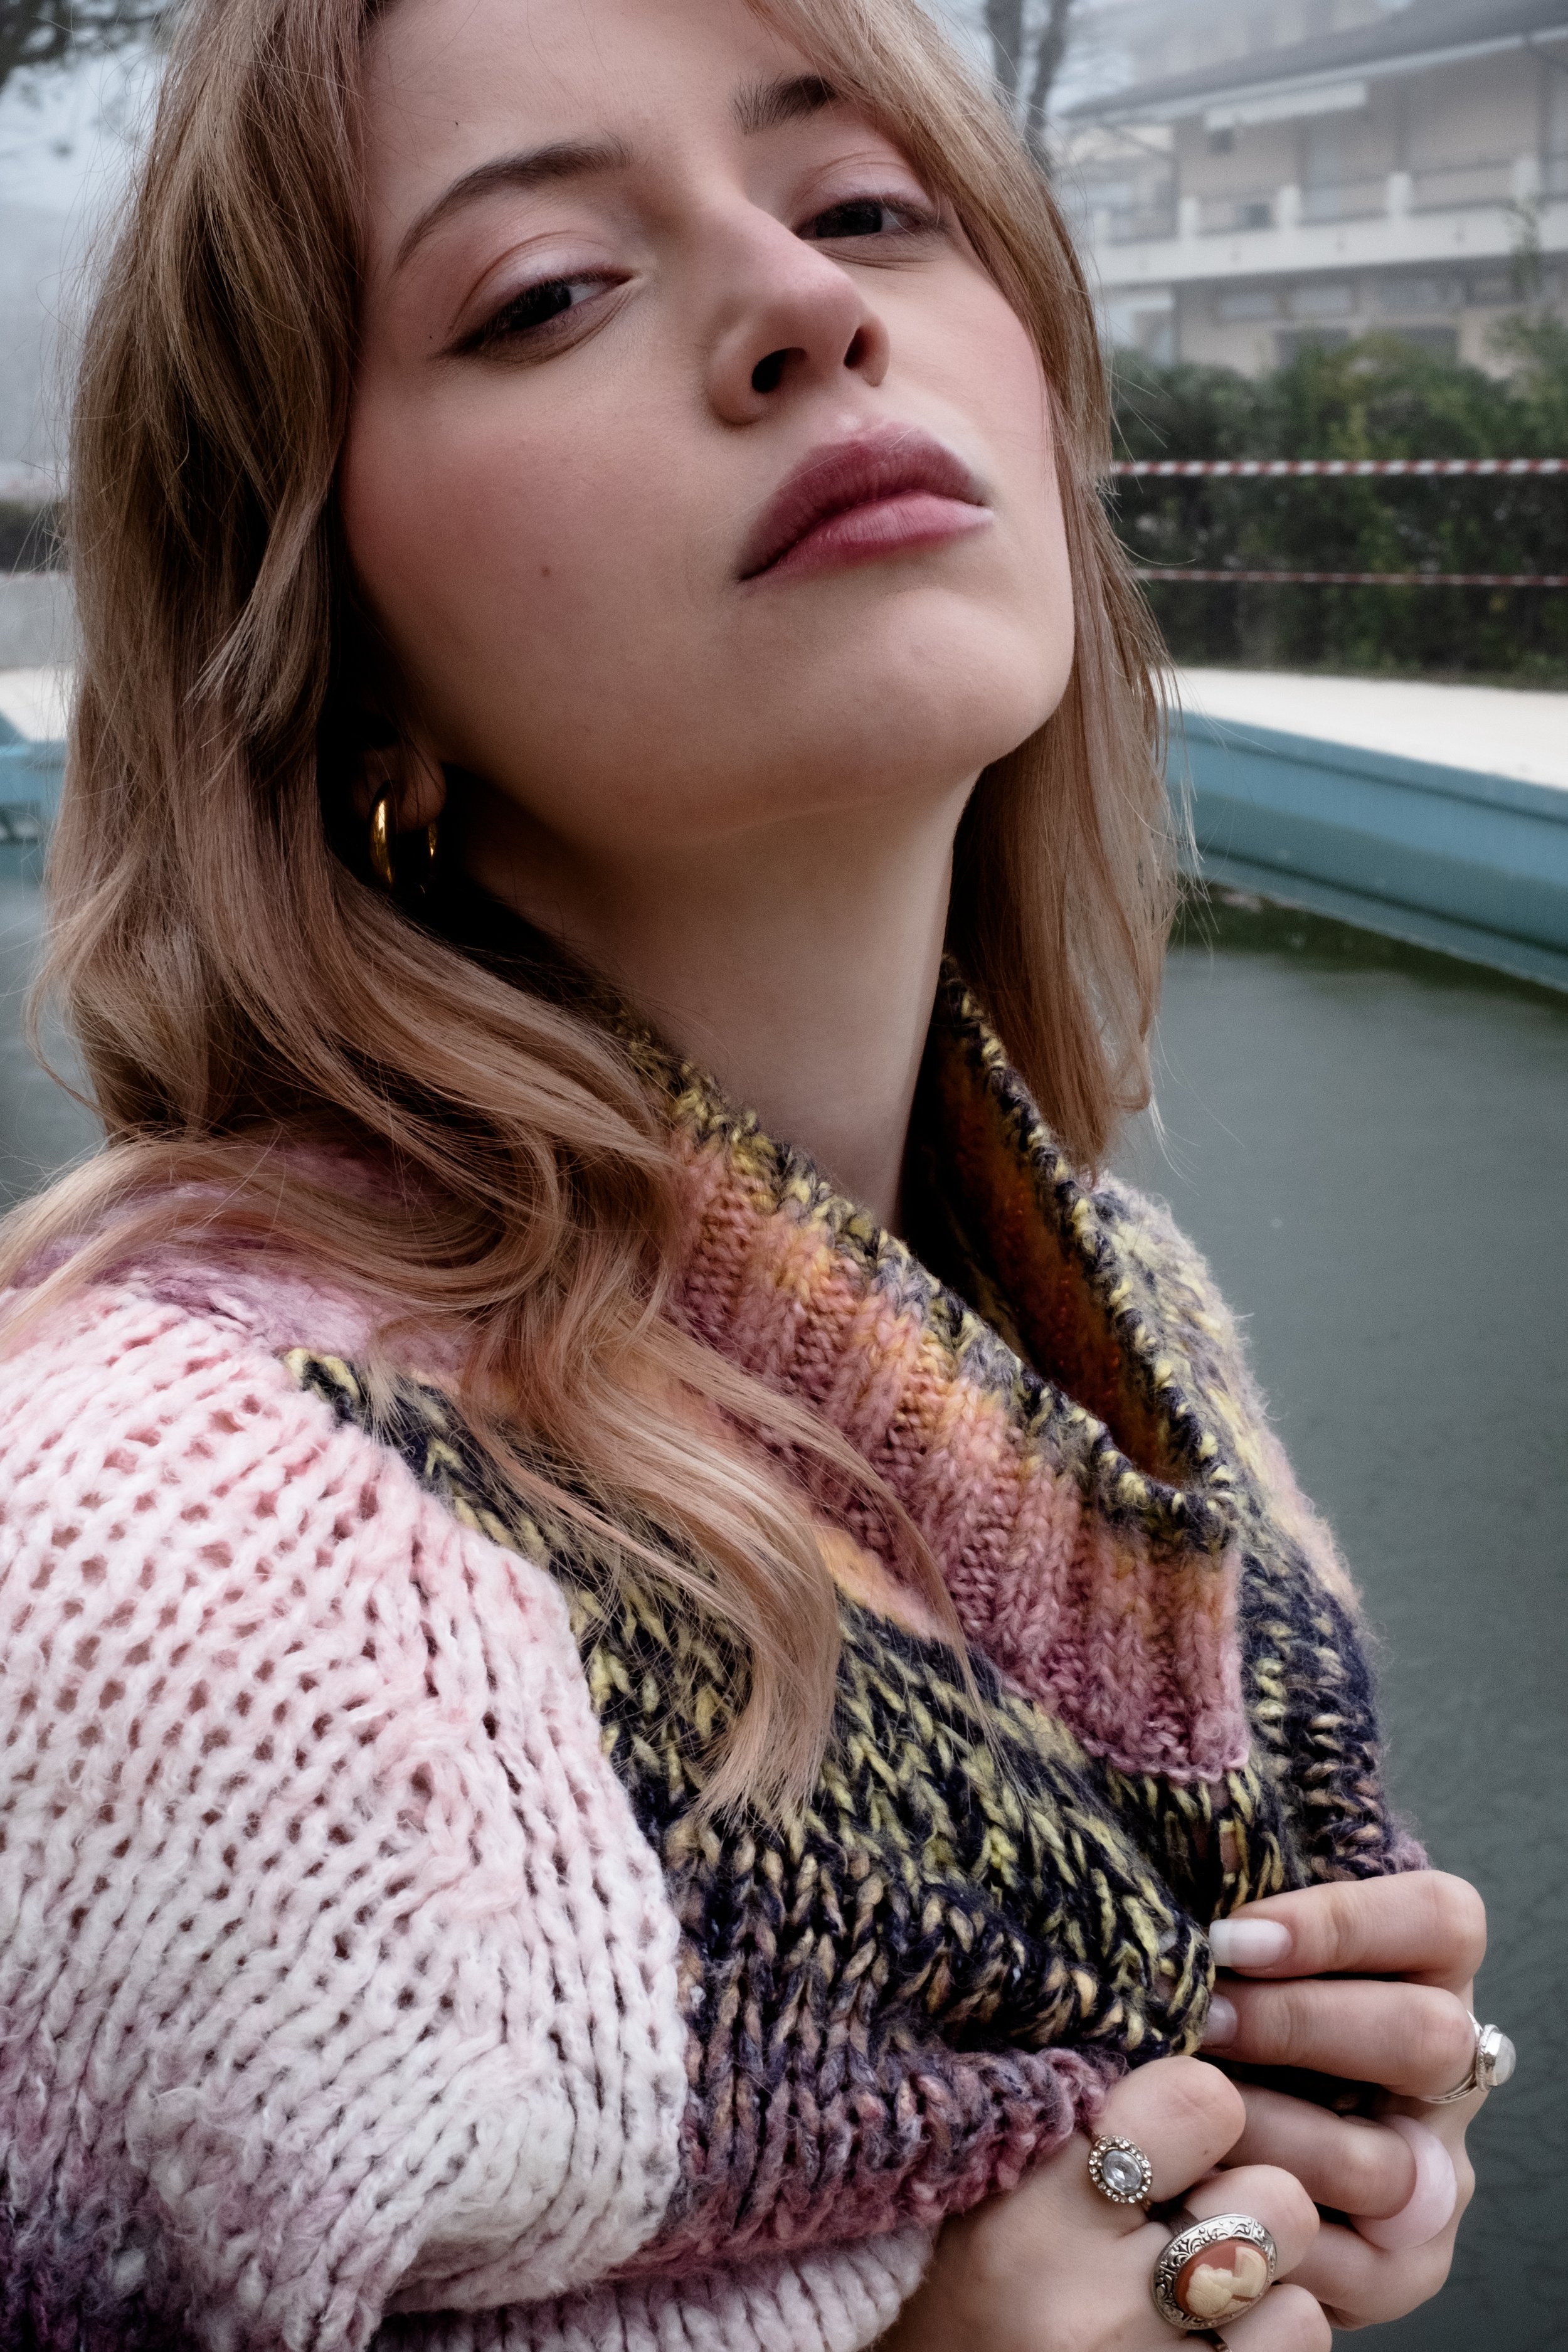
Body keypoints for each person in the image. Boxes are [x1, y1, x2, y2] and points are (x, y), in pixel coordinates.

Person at [0, 0, 1505, 2346]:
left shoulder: (1118, 1331)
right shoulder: (171, 1554)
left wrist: (1305, 2125)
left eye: (868, 207)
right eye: (542, 295)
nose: (805, 302)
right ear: (334, 645)